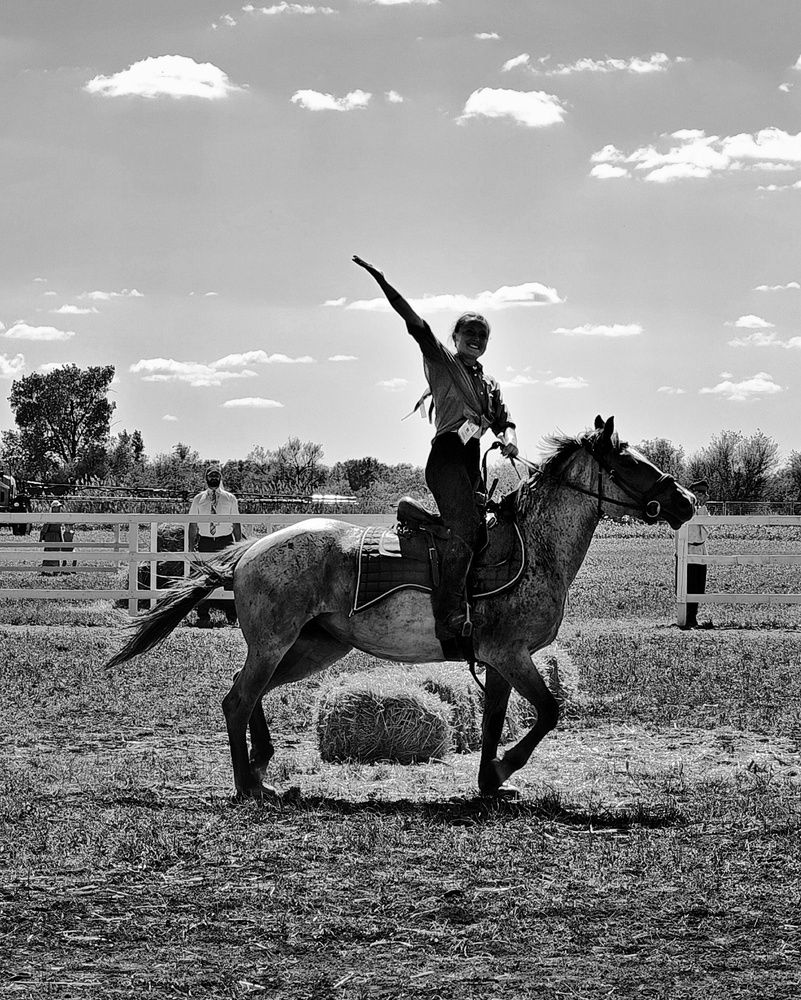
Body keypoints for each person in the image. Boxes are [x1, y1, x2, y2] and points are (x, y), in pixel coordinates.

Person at [353, 254, 519, 642]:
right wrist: (382, 280)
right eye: (469, 334)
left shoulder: (489, 384)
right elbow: (416, 323)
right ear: (455, 339)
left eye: (483, 336)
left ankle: (421, 519)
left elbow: (503, 421)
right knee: (466, 530)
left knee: (483, 531)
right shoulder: (443, 363)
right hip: (446, 457)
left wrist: (510, 442)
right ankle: (448, 615)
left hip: (471, 461)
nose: (476, 340)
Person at [188, 466, 242, 627]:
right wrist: (191, 547)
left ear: (220, 477)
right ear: (206, 478)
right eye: (210, 475)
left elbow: (236, 523)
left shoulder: (230, 498)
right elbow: (192, 524)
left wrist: (238, 546)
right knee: (203, 577)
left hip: (225, 541)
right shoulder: (198, 499)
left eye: (216, 475)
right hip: (205, 541)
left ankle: (232, 615)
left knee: (228, 577)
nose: (213, 478)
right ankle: (203, 615)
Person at [684, 479, 713, 629]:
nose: (701, 496)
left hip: (700, 549)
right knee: (684, 585)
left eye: (703, 493)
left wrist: (702, 508)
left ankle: (693, 617)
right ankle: (685, 616)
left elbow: (708, 528)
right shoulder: (683, 509)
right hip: (685, 549)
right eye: (698, 493)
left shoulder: (703, 511)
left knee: (697, 585)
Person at [40, 500, 65, 575]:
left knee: (56, 552)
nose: (59, 509)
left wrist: (61, 538)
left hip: (56, 536)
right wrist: (41, 537)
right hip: (50, 536)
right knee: (48, 551)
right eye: (57, 508)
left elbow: (60, 529)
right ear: (53, 508)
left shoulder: (59, 517)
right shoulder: (50, 517)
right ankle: (45, 569)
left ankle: (56, 570)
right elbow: (45, 527)